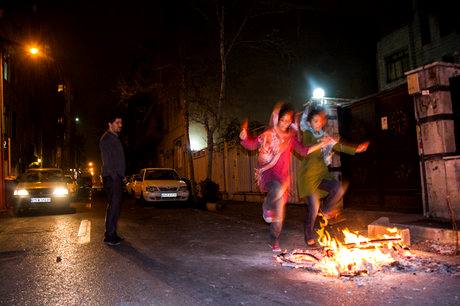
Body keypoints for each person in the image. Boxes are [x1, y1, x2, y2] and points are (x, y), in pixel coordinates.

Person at [240, 102, 332, 252]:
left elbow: (303, 151)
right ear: (277, 119)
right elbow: (251, 145)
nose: (285, 123)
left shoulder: (291, 138)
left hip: (283, 179)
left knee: (279, 215)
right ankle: (266, 206)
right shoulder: (267, 134)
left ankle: (274, 240)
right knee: (276, 189)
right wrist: (244, 138)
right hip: (268, 174)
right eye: (283, 120)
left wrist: (321, 145)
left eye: (288, 121)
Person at [297, 103, 369, 247]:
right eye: (315, 121)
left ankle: (325, 210)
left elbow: (339, 146)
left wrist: (356, 149)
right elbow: (309, 146)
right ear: (309, 122)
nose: (318, 124)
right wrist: (323, 142)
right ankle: (308, 235)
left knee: (338, 188)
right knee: (313, 207)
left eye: (320, 121)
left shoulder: (325, 137)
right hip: (308, 179)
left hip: (321, 177)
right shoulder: (307, 134)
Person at [100, 114, 126, 245]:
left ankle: (112, 233)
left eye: (121, 122)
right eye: (117, 123)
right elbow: (107, 161)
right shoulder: (106, 139)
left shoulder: (114, 138)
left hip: (116, 177)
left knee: (115, 207)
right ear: (110, 124)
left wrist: (121, 175)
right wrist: (115, 176)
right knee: (113, 206)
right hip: (112, 178)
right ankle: (109, 236)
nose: (120, 125)